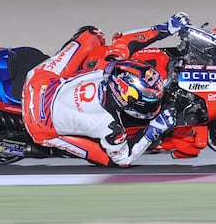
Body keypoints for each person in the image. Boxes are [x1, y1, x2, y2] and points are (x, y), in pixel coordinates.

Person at [21, 12, 190, 167]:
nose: (153, 105)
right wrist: (155, 128)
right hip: (40, 123)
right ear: (126, 100)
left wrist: (166, 28)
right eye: (148, 102)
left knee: (93, 34)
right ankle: (51, 147)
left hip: (40, 82)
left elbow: (126, 41)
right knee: (109, 160)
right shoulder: (109, 126)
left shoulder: (111, 66)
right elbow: (124, 159)